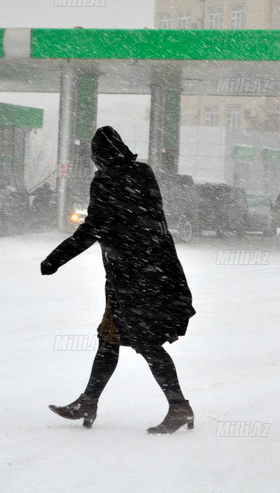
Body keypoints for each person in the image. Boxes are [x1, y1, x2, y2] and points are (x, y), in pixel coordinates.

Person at [41, 126, 196, 434]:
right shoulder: (143, 172)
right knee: (108, 339)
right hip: (157, 271)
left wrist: (55, 259)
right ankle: (88, 401)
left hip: (133, 278)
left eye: (94, 157)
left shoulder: (106, 180)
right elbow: (142, 221)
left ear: (99, 156)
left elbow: (93, 228)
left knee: (146, 343)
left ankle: (179, 407)